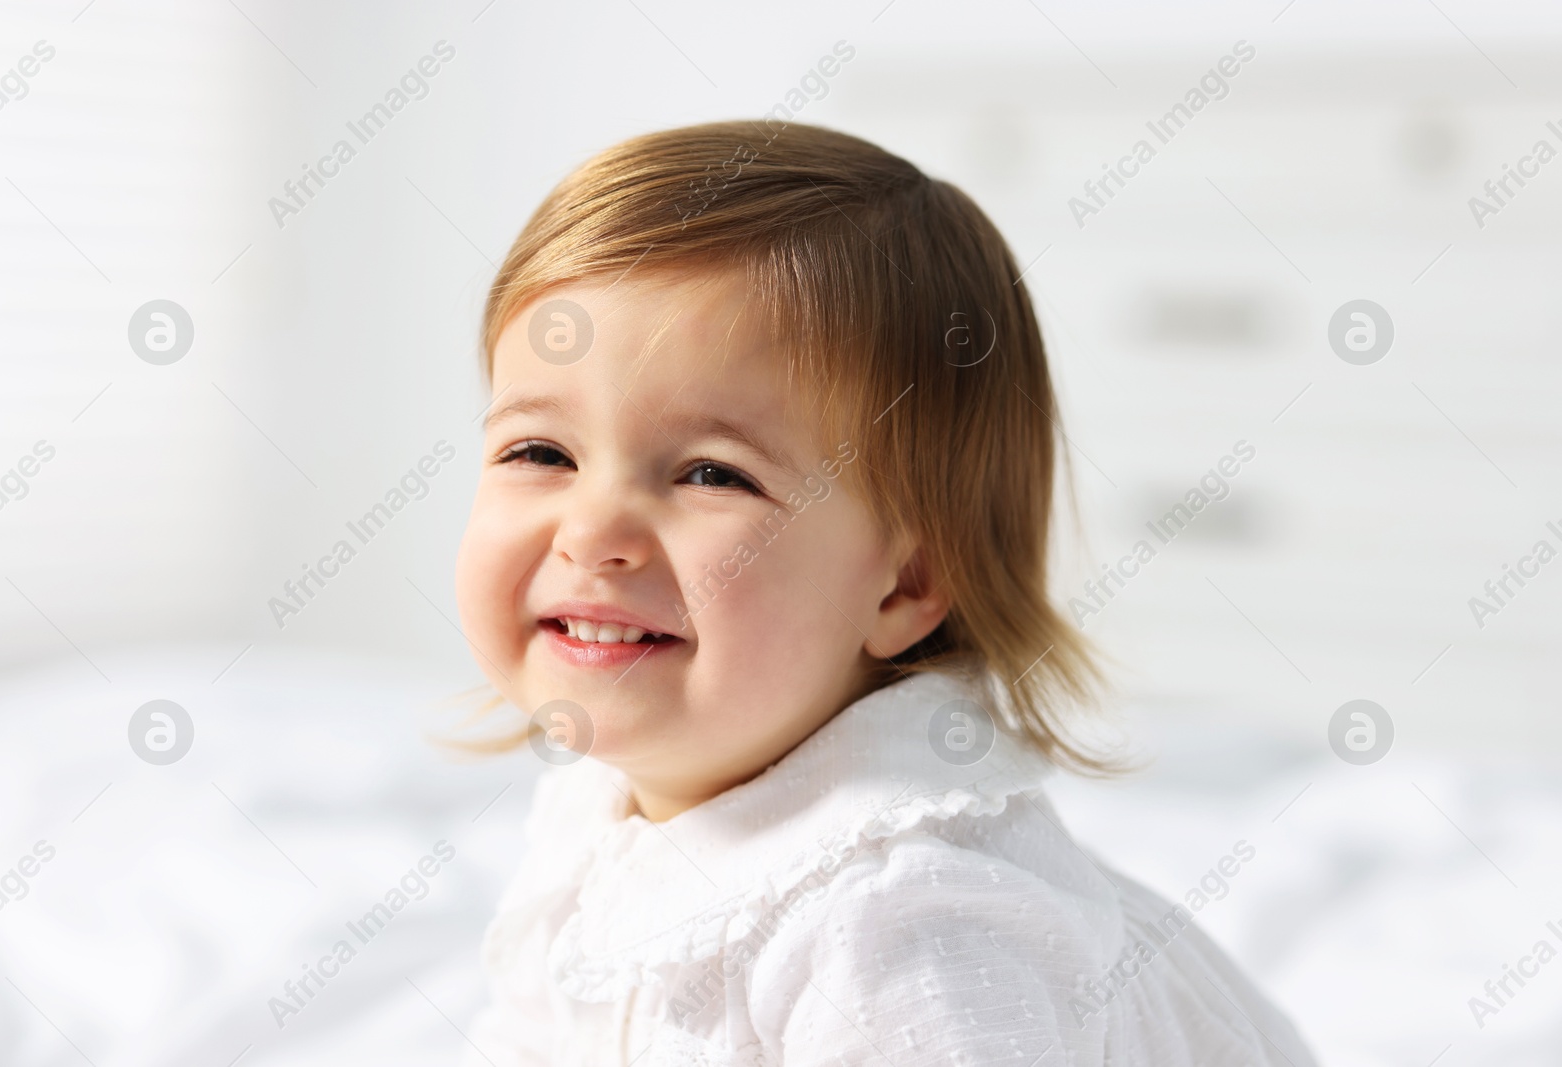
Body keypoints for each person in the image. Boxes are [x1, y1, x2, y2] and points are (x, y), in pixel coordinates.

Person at [452, 120, 1317, 1066]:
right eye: (542, 453)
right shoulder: (599, 811)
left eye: (711, 475)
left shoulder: (900, 926)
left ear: (906, 581)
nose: (591, 534)